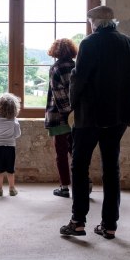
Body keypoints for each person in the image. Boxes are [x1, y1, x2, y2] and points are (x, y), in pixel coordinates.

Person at [59, 5, 130, 239]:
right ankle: (109, 225)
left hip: (90, 115)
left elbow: (79, 78)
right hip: (119, 117)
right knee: (111, 167)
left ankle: (78, 222)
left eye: (90, 22)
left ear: (94, 22)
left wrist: (73, 106)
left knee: (79, 166)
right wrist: (123, 102)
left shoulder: (90, 43)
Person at [44, 38, 78, 198]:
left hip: (59, 117)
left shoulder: (55, 68)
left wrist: (67, 113)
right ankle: (85, 182)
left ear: (55, 52)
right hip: (77, 116)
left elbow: (58, 94)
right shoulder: (77, 66)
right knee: (77, 151)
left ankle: (64, 187)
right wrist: (74, 113)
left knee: (61, 153)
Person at [0, 92, 22, 196]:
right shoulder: (14, 119)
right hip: (10, 147)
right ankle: (12, 189)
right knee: (10, 170)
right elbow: (17, 134)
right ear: (14, 108)